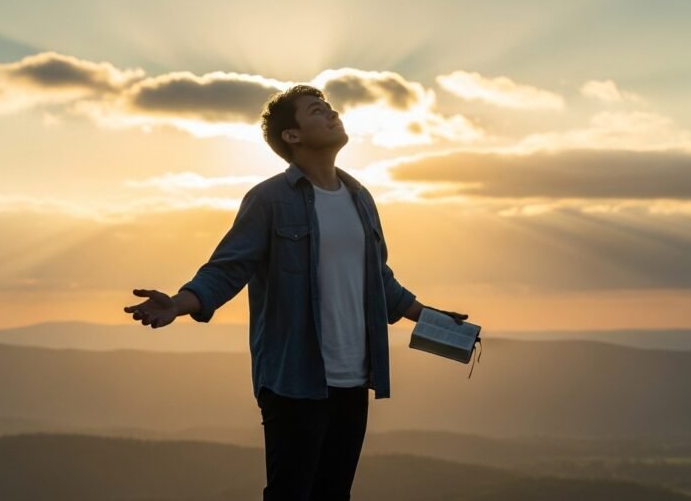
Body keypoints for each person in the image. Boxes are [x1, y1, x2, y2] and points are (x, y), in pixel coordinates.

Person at [123, 84, 467, 501]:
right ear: (292, 135)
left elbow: (379, 281)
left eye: (329, 107)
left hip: (355, 378)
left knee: (333, 495)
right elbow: (228, 269)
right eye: (316, 109)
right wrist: (178, 304)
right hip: (293, 380)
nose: (330, 112)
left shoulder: (361, 199)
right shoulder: (269, 200)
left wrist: (432, 317)